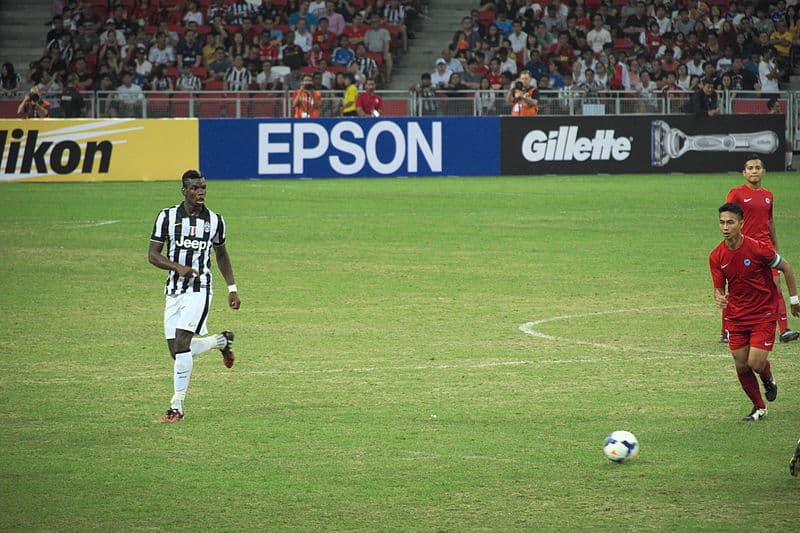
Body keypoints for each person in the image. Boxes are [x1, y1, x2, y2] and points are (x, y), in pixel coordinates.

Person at [149, 170, 241, 423]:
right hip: (174, 290)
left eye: (203, 187)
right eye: (194, 188)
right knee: (177, 350)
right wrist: (177, 268)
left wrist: (231, 288)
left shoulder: (215, 220)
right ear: (184, 191)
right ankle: (220, 341)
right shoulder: (167, 217)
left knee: (181, 344)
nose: (200, 192)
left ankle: (176, 405)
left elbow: (221, 254)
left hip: (200, 288)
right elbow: (153, 255)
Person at [709, 202, 800, 421]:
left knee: (756, 363)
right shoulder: (716, 256)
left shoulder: (758, 248)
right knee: (741, 364)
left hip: (763, 313)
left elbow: (786, 266)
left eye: (730, 222)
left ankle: (767, 377)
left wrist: (794, 300)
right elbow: (719, 289)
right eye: (722, 222)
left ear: (741, 223)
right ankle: (759, 407)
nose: (725, 227)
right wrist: (719, 297)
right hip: (736, 316)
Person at [723, 156, 799, 345]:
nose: (754, 171)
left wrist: (775, 246)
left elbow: (770, 222)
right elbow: (728, 217)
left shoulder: (768, 195)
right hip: (744, 247)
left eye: (757, 168)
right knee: (738, 287)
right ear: (744, 173)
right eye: (750, 168)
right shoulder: (737, 193)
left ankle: (784, 330)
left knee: (775, 283)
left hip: (765, 247)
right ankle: (726, 330)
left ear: (763, 172)